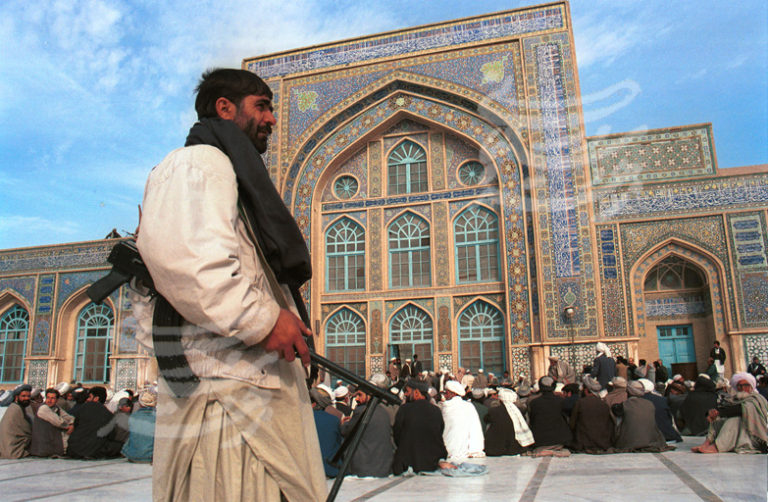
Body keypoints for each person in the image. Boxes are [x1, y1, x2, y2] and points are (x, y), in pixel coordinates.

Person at [134, 69, 326, 501]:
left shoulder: (229, 171)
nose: (273, 119)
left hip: (248, 386)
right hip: (224, 392)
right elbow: (188, 260)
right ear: (225, 107)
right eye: (262, 106)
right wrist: (261, 319)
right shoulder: (197, 162)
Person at [692, 372, 768, 454]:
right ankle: (707, 443)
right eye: (739, 385)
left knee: (735, 419)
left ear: (751, 387)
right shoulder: (734, 399)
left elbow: (741, 409)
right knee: (717, 420)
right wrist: (712, 413)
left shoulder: (756, 399)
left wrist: (719, 412)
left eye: (746, 385)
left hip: (754, 435)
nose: (742, 388)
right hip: (740, 433)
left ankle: (717, 447)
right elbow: (724, 408)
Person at [392, 379, 447, 474]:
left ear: (416, 392)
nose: (405, 394)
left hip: (408, 464)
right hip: (431, 464)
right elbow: (439, 432)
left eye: (407, 391)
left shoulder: (404, 410)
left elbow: (397, 436)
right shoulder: (436, 410)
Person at [340, 388, 394, 477]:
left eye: (360, 395)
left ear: (369, 396)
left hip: (365, 467)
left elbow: (345, 431)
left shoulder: (361, 411)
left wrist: (343, 424)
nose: (356, 399)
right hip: (384, 467)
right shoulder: (384, 411)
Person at [67, 387, 123, 459]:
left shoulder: (83, 407)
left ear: (96, 398)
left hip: (73, 450)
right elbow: (111, 436)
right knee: (118, 445)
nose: (87, 399)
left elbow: (76, 425)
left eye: (90, 397)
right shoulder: (109, 415)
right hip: (94, 451)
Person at [613, 381, 669, 452]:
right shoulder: (649, 404)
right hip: (650, 441)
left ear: (628, 391)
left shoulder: (624, 405)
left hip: (628, 443)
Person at [441, 380, 485, 462]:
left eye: (446, 393)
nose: (445, 396)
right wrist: (475, 449)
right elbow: (475, 430)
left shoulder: (445, 407)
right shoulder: (468, 406)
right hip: (464, 452)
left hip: (447, 451)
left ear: (453, 394)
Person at [527, 376, 572, 457]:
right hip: (559, 440)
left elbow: (532, 420)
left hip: (539, 441)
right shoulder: (561, 401)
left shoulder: (533, 403)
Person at [569, 376, 614, 452]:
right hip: (602, 443)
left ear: (586, 391)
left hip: (583, 444)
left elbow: (572, 424)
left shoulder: (580, 403)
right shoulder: (604, 404)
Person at [484, 388, 533, 456]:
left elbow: (486, 420)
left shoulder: (493, 411)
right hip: (515, 449)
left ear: (500, 400)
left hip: (496, 450)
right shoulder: (519, 412)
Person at [29, 388, 74, 457]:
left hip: (51, 444)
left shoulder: (56, 408)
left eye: (52, 398)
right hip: (42, 447)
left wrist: (72, 424)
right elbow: (59, 422)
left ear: (57, 400)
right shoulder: (43, 408)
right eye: (48, 398)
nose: (49, 400)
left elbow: (69, 417)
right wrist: (69, 427)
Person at [121, 390, 157, 463]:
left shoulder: (133, 416)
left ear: (140, 403)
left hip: (133, 456)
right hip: (150, 457)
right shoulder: (157, 417)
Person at [0, 385, 32, 458]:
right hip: (13, 449)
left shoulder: (17, 407)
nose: (26, 398)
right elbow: (27, 430)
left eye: (28, 396)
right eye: (23, 396)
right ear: (17, 397)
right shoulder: (16, 409)